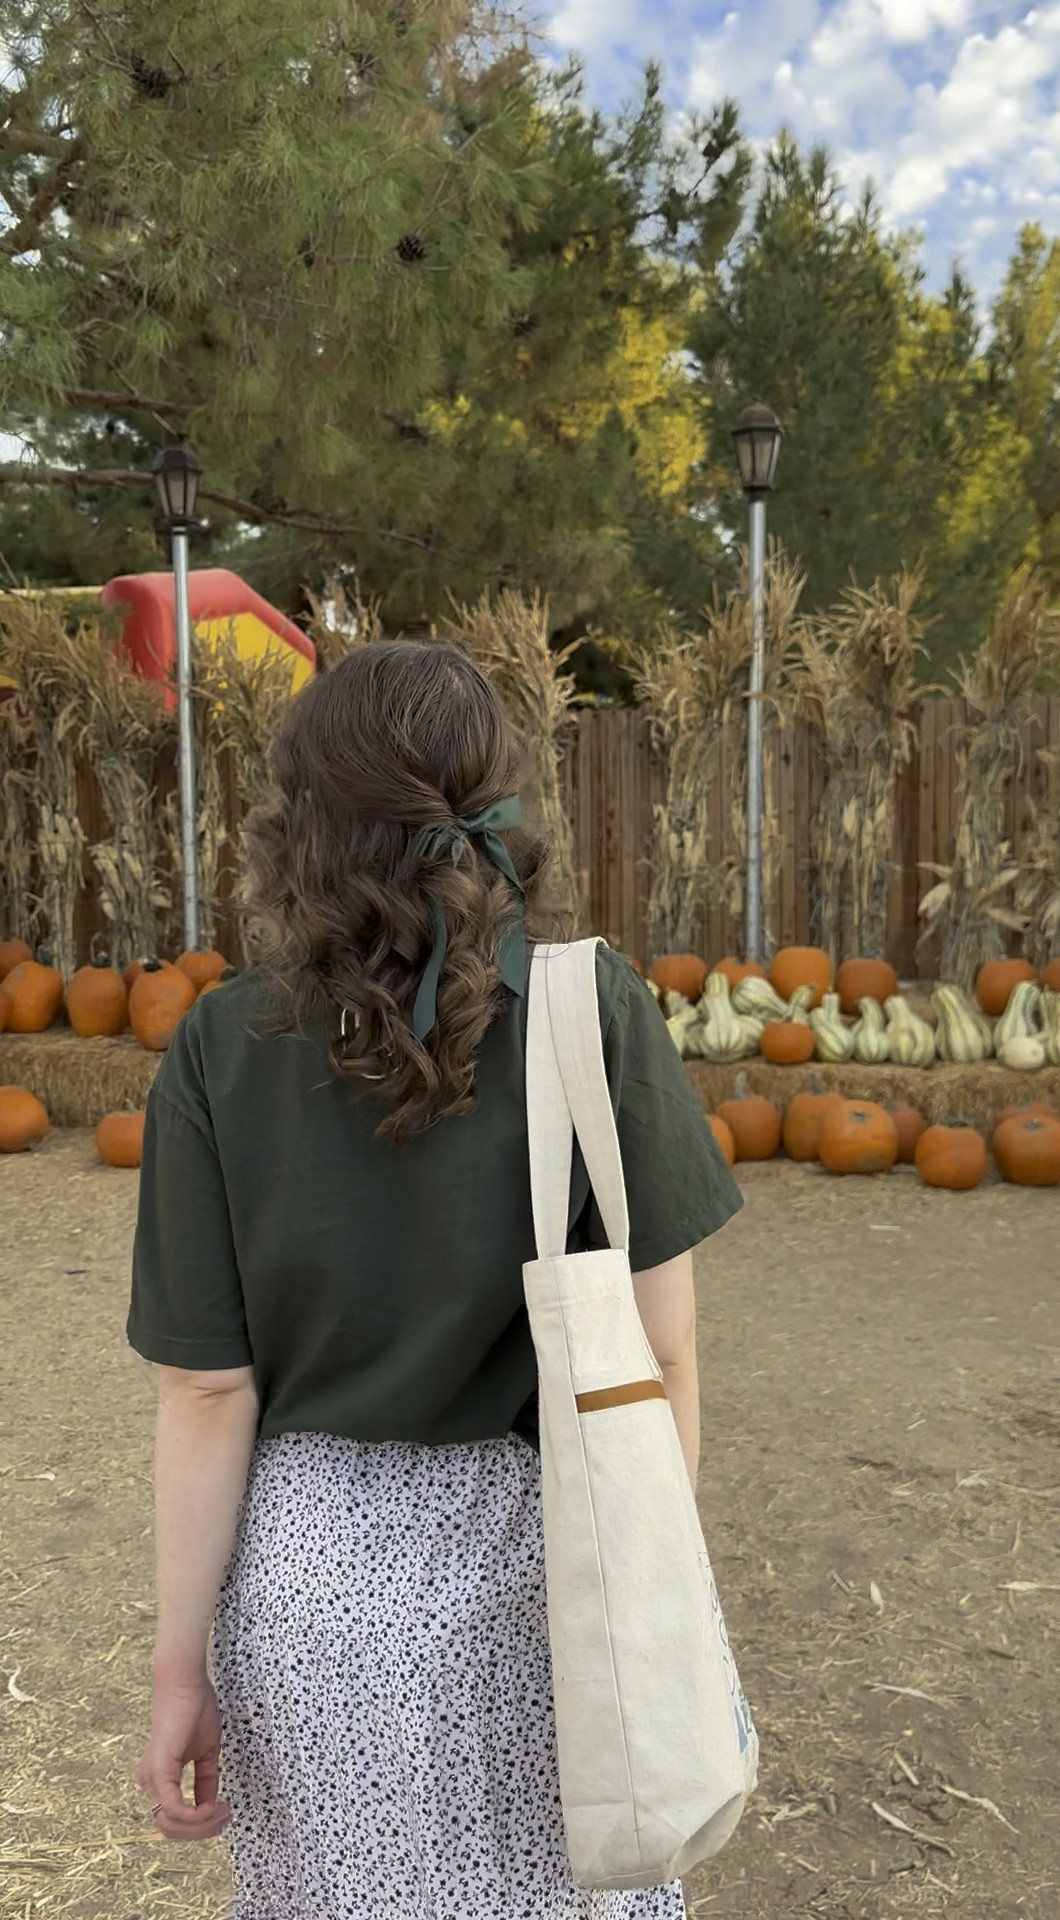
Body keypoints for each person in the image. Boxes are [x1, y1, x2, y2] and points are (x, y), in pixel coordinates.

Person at [128, 639, 743, 1919]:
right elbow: (663, 1351)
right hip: (550, 1583)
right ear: (504, 808)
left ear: (298, 827)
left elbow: (205, 1394)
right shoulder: (598, 1009)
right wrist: (652, 1599)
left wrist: (179, 1665)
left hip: (313, 1600)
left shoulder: (219, 1045)